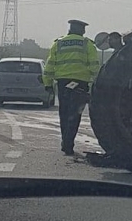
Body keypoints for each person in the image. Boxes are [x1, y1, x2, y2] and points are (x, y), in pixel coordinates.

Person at [43, 19, 100, 156]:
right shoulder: (87, 44)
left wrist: (48, 84)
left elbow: (49, 66)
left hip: (63, 84)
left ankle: (65, 141)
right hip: (80, 84)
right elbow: (94, 66)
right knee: (75, 114)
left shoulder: (58, 43)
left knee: (64, 113)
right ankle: (69, 142)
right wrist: (97, 83)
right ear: (82, 30)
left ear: (70, 29)